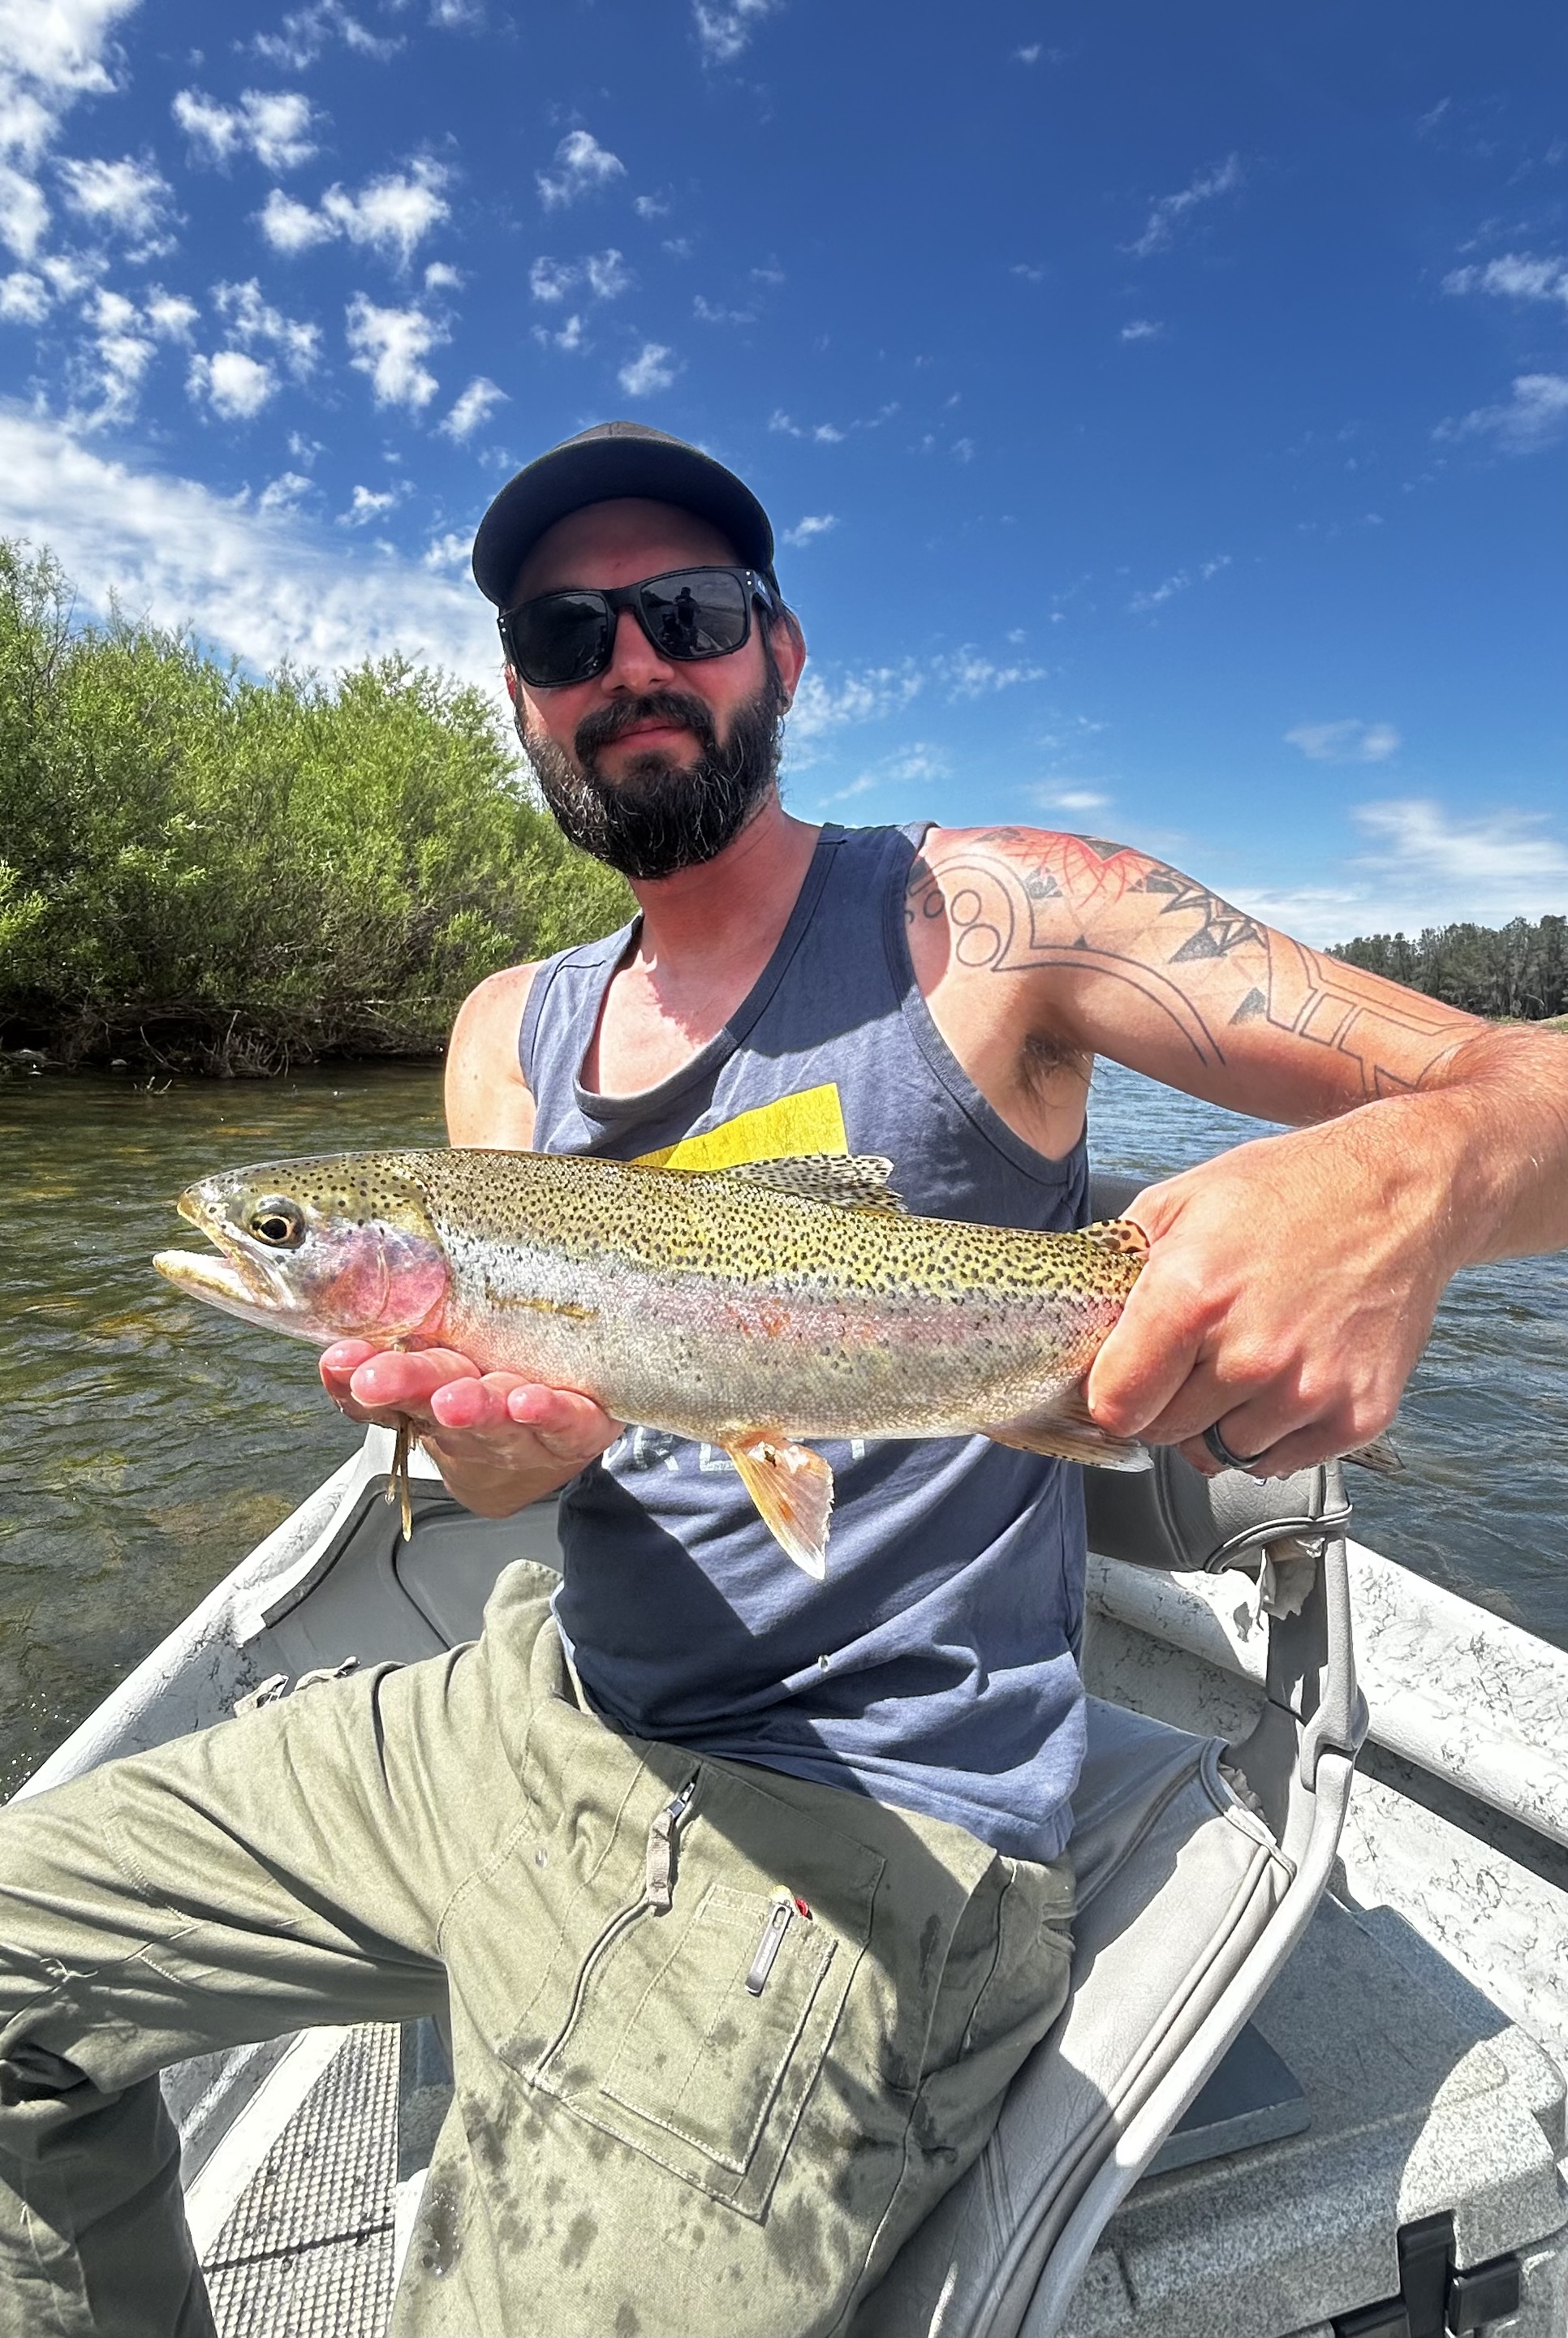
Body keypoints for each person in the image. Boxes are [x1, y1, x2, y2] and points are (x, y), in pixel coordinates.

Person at [0, 421, 1564, 2338]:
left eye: (690, 610)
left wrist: (1405, 1182)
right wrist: (486, 1440)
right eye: (572, 635)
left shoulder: (1002, 923)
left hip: (874, 1824)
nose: (632, 661)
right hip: (536, 1708)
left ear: (782, 650)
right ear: (525, 701)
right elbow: (513, 1481)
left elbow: (1526, 1075)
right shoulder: (510, 1032)